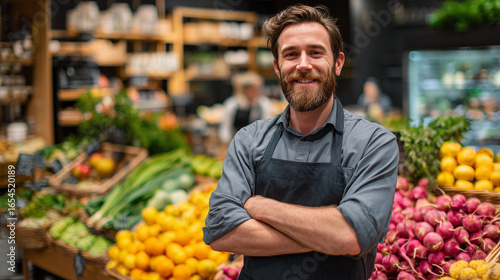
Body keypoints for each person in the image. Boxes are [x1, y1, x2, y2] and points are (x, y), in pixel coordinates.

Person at [203, 4, 399, 279]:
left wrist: (258, 206)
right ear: (277, 67)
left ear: (338, 63)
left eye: (316, 52)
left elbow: (352, 236)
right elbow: (220, 231)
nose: (303, 64)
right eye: (291, 54)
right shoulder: (249, 140)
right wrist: (329, 236)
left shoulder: (374, 143)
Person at [218, 71, 273, 143]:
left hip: (256, 143)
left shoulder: (263, 103)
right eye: (256, 89)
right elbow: (225, 128)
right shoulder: (232, 104)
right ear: (246, 90)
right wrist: (228, 143)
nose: (259, 91)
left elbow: (266, 127)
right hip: (236, 142)